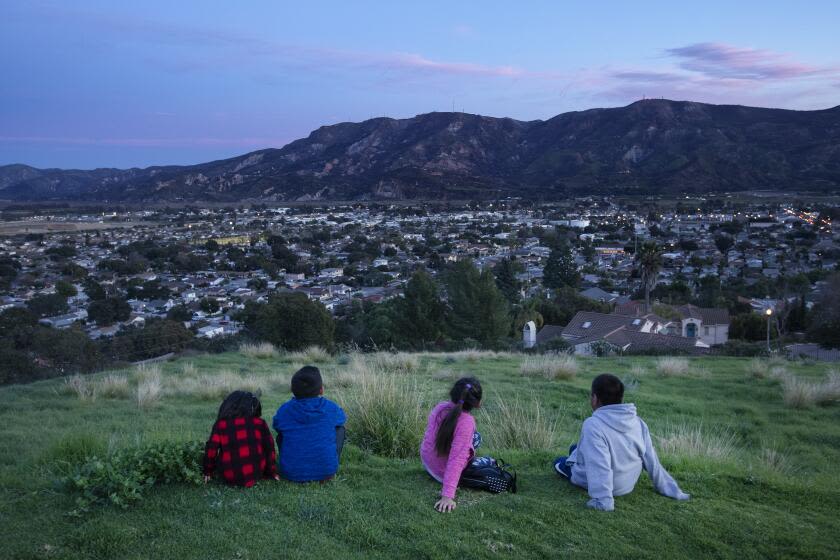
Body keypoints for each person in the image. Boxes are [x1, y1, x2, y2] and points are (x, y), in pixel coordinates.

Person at [553, 373, 690, 511]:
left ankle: (571, 470)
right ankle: (575, 458)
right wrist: (670, 489)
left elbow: (598, 464)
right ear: (621, 398)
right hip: (626, 484)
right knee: (574, 448)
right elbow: (651, 460)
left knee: (559, 461)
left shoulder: (593, 425)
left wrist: (603, 500)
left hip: (611, 488)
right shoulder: (638, 422)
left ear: (594, 398)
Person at [420, 376, 487, 513]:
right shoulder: (467, 422)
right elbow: (457, 459)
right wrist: (447, 496)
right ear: (477, 403)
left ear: (453, 393)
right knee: (477, 439)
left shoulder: (440, 408)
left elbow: (430, 436)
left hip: (427, 462)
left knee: (472, 438)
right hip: (440, 472)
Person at [272, 366, 346, 482]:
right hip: (326, 473)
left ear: (293, 390)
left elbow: (276, 425)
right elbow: (342, 418)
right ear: (321, 390)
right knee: (340, 429)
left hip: (290, 473)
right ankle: (327, 465)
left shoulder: (284, 410)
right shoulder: (331, 407)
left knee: (281, 434)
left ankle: (293, 462)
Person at [203, 390, 280, 487]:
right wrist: (272, 472)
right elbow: (270, 449)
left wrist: (208, 471)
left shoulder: (221, 425)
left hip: (229, 475)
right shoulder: (260, 423)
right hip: (256, 473)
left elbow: (211, 449)